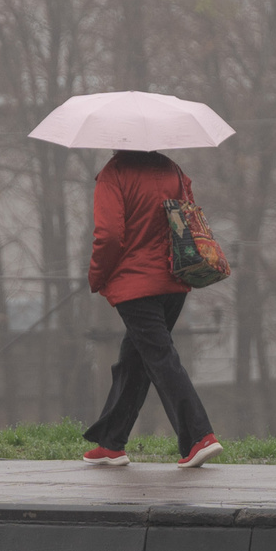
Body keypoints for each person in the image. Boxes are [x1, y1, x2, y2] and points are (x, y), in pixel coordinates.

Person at [81, 148, 222, 469]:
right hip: (175, 279)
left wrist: (97, 276)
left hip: (136, 284)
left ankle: (199, 436)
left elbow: (110, 235)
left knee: (159, 358)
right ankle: (111, 442)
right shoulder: (172, 169)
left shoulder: (114, 174)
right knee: (135, 359)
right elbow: (187, 217)